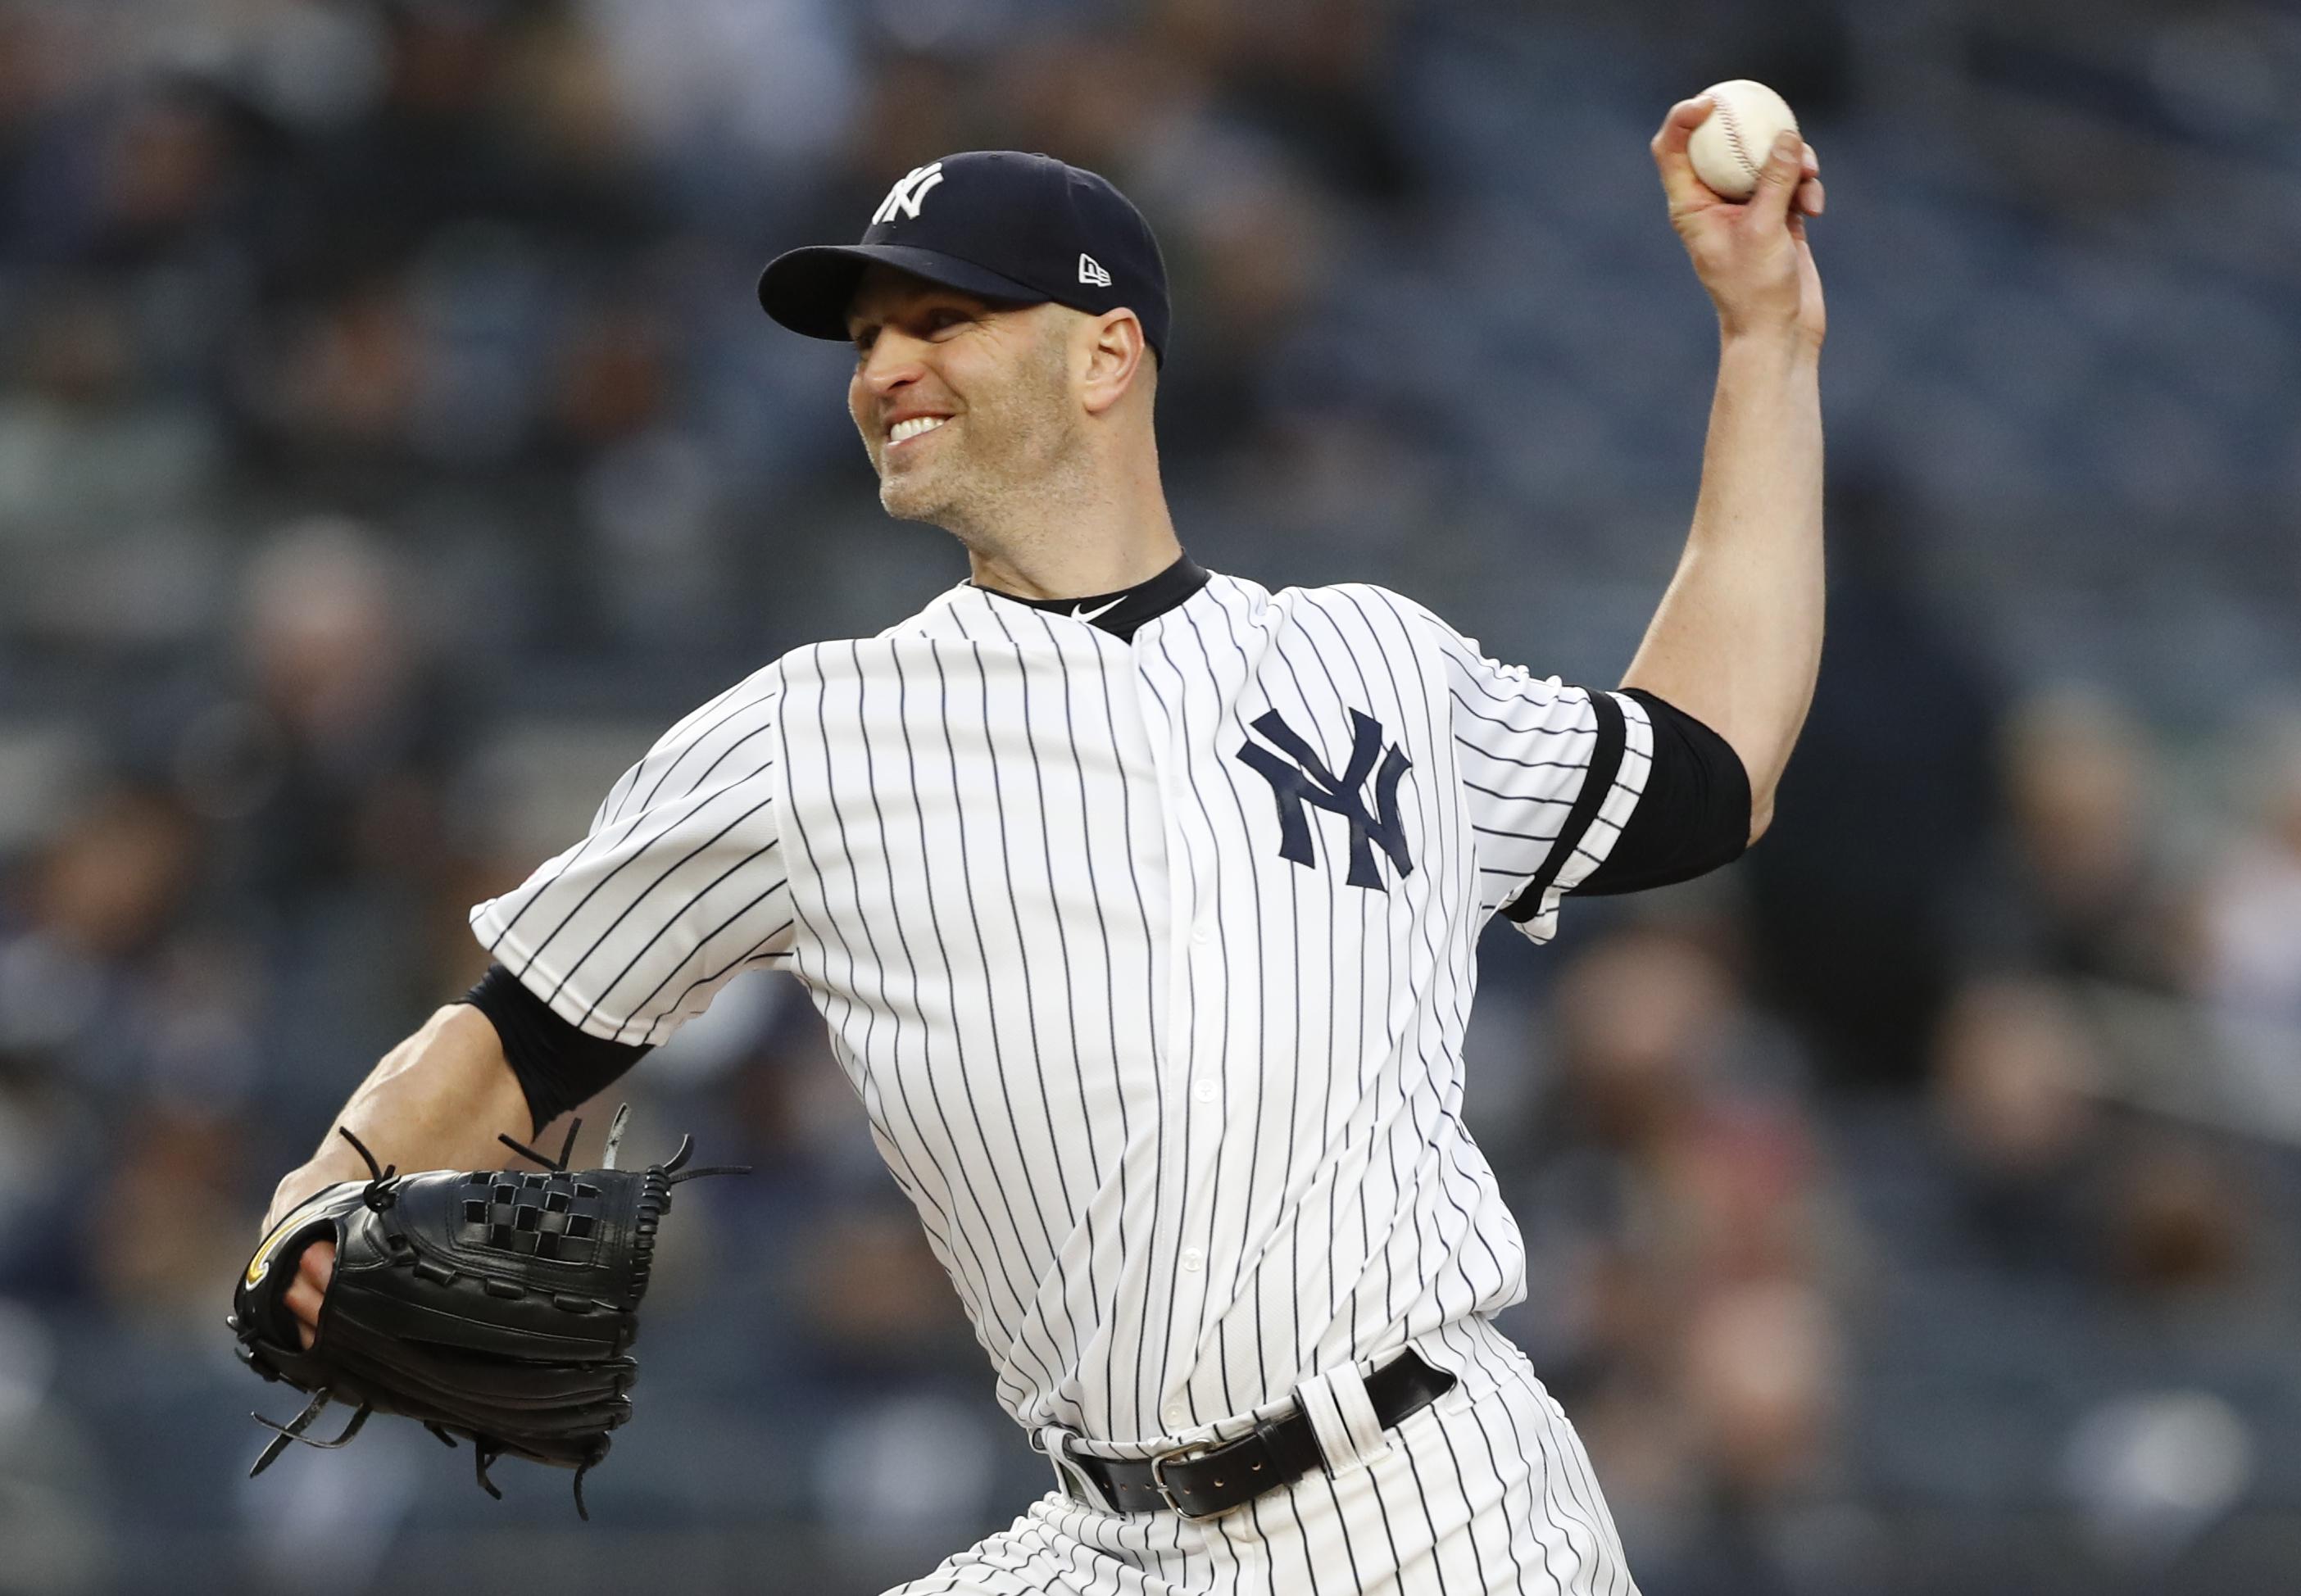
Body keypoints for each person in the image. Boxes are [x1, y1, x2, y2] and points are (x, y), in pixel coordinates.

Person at [257, 100, 1826, 1594]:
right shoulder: (804, 739)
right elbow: (519, 1032)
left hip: (1427, 1505)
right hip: (1109, 1534)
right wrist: (320, 1203)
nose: (884, 367)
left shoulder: (1378, 664)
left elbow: (1708, 769)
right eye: (866, 338)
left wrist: (1768, 337)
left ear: (1107, 353)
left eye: (942, 320)